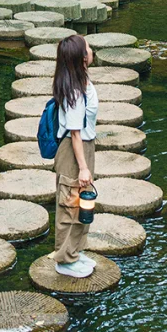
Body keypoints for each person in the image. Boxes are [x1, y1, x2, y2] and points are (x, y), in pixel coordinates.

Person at [50, 33, 97, 278]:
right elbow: (75, 133)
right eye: (87, 47)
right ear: (81, 58)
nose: (91, 49)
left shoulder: (81, 79)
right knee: (70, 205)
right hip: (74, 150)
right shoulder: (75, 92)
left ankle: (75, 251)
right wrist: (83, 168)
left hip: (84, 148)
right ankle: (64, 260)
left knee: (83, 202)